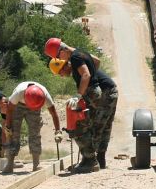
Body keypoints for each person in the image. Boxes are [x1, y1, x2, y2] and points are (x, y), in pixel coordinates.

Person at [45, 38, 118, 173]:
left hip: (106, 92)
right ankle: (97, 160)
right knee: (103, 126)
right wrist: (93, 78)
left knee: (89, 127)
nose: (61, 75)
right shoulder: (80, 53)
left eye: (58, 57)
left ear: (63, 50)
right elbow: (96, 61)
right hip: (104, 91)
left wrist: (81, 91)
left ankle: (91, 161)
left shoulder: (76, 58)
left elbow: (86, 74)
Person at [2, 81, 64, 173]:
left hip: (36, 105)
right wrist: (8, 126)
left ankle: (36, 164)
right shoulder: (18, 93)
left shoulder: (45, 95)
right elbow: (9, 110)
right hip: (17, 106)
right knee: (13, 133)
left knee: (35, 133)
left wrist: (58, 131)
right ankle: (10, 164)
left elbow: (54, 114)